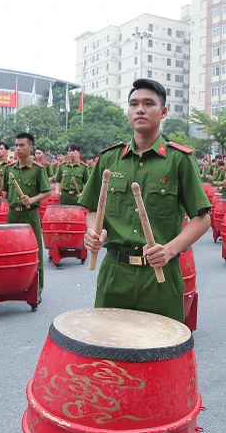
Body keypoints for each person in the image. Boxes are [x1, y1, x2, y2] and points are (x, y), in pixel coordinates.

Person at [79, 78, 211, 323]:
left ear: (163, 113)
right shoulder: (109, 159)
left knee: (162, 349)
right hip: (115, 273)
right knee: (110, 349)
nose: (140, 109)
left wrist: (169, 250)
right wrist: (93, 232)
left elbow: (202, 218)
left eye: (148, 103)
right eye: (134, 104)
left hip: (161, 275)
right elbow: (92, 209)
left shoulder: (179, 160)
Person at [3, 132, 51, 298]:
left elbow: (46, 192)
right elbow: (4, 191)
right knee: (11, 250)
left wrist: (32, 199)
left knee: (35, 250)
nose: (18, 148)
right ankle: (13, 284)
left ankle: (36, 288)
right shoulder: (9, 169)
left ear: (31, 148)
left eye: (22, 145)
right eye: (16, 145)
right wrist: (0, 195)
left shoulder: (38, 170)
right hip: (12, 215)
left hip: (30, 215)